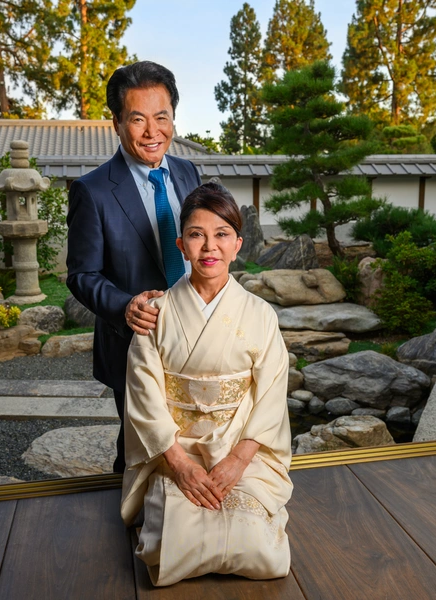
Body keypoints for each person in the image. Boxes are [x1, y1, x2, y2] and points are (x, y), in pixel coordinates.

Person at [121, 183, 293, 587]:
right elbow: (143, 393)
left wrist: (238, 460)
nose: (209, 247)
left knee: (260, 551)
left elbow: (270, 394)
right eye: (197, 235)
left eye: (222, 235)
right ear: (181, 245)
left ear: (238, 244)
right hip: (175, 449)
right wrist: (179, 465)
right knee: (172, 547)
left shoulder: (260, 314)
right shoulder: (156, 312)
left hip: (241, 449)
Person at [66, 61, 201, 473]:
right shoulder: (92, 190)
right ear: (117, 122)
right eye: (138, 119)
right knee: (140, 450)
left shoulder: (187, 172)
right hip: (134, 342)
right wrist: (126, 306)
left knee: (193, 440)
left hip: (196, 333)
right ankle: (131, 525)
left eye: (162, 117)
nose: (152, 131)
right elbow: (81, 275)